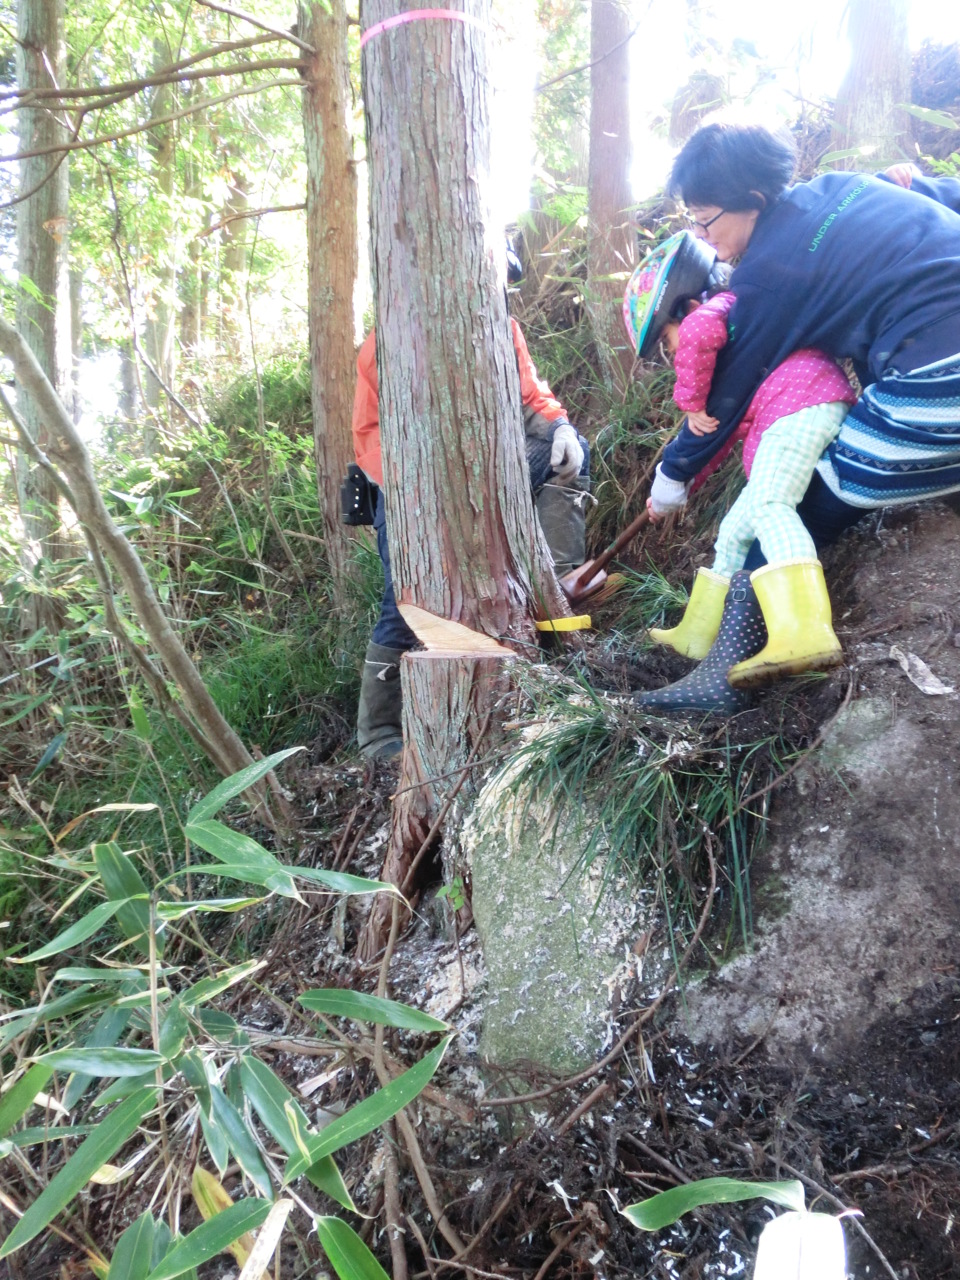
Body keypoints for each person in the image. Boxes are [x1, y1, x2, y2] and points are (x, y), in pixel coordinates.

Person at [640, 123, 960, 712]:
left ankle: (724, 678)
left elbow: (727, 393)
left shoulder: (769, 271)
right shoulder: (847, 187)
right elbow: (942, 197)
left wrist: (673, 475)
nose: (702, 236)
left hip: (938, 380)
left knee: (793, 503)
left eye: (705, 219)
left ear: (754, 202)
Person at [354, 265, 591, 759]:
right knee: (406, 596)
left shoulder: (503, 329)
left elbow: (531, 396)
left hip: (488, 473)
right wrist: (416, 493)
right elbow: (370, 436)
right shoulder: (388, 341)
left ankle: (559, 585)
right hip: (404, 491)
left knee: (568, 455)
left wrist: (559, 427)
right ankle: (377, 733)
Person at [638, 290, 857, 710]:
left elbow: (698, 332)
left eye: (667, 339)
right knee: (734, 531)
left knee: (771, 506)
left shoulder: (719, 312)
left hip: (801, 404)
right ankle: (700, 634)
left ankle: (805, 631)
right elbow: (716, 439)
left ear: (684, 309)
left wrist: (690, 401)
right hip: (791, 408)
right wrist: (682, 485)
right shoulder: (737, 357)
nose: (671, 350)